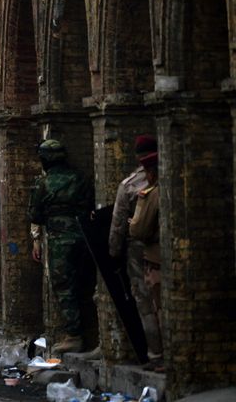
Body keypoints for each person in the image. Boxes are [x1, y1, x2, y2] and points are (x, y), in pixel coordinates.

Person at [29, 139, 94, 354]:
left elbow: (35, 214)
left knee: (64, 286)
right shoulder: (80, 178)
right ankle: (93, 333)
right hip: (85, 237)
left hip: (59, 240)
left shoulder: (43, 183)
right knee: (87, 285)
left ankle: (74, 335)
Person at [107, 135, 162, 366]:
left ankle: (156, 354)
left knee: (146, 302)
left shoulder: (129, 185)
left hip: (140, 251)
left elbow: (118, 224)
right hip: (166, 247)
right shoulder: (168, 176)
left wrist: (113, 252)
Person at [127, 151, 162, 370]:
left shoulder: (151, 194)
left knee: (154, 307)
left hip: (155, 259)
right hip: (165, 257)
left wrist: (135, 216)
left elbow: (138, 229)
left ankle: (158, 356)